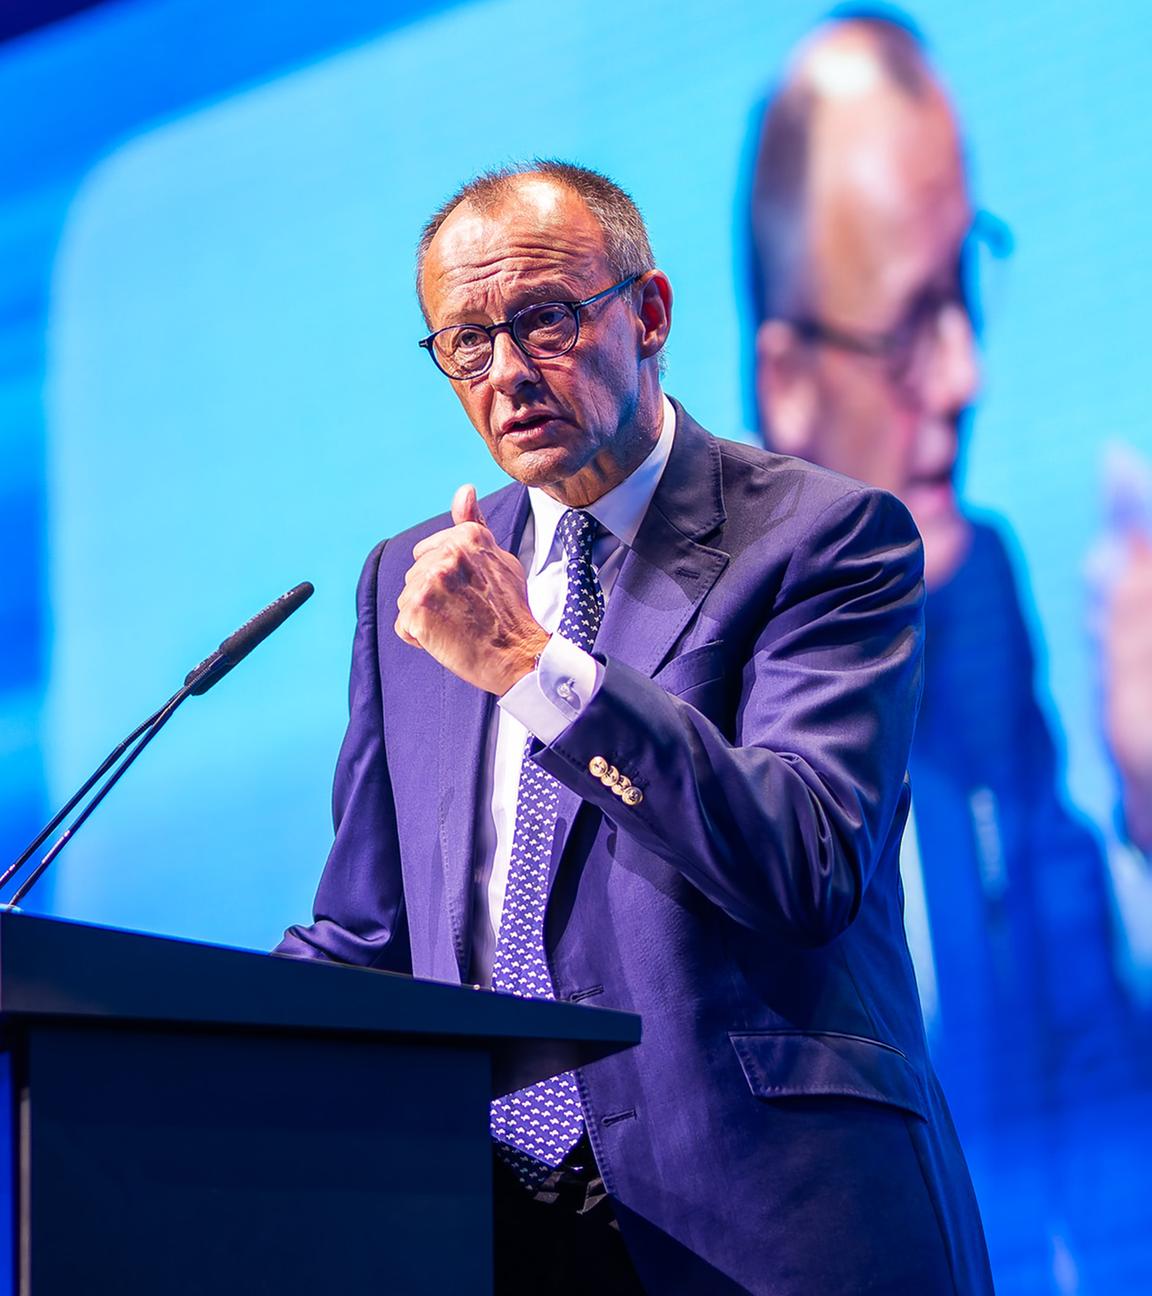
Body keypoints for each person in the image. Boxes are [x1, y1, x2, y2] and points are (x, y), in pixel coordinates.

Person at [279, 160, 991, 1293]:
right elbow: (368, 935)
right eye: (466, 343)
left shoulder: (824, 538)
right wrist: (140, 1035)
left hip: (767, 1217)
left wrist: (528, 664)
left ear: (649, 312)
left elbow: (803, 860)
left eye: (545, 319)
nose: (507, 372)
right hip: (488, 1230)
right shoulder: (407, 585)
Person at [746, 12, 1140, 1136]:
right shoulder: (717, 712)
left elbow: (1084, 1014)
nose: (965, 374)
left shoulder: (980, 594)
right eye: (914, 325)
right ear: (791, 386)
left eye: (966, 290)